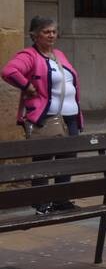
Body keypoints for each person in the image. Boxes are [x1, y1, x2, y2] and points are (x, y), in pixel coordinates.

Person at [2, 16, 84, 214]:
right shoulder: (29, 55)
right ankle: (41, 201)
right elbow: (9, 71)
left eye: (54, 31)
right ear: (34, 34)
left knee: (67, 159)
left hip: (70, 117)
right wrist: (27, 86)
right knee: (44, 159)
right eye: (46, 31)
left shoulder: (60, 55)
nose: (51, 35)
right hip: (47, 117)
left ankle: (61, 200)